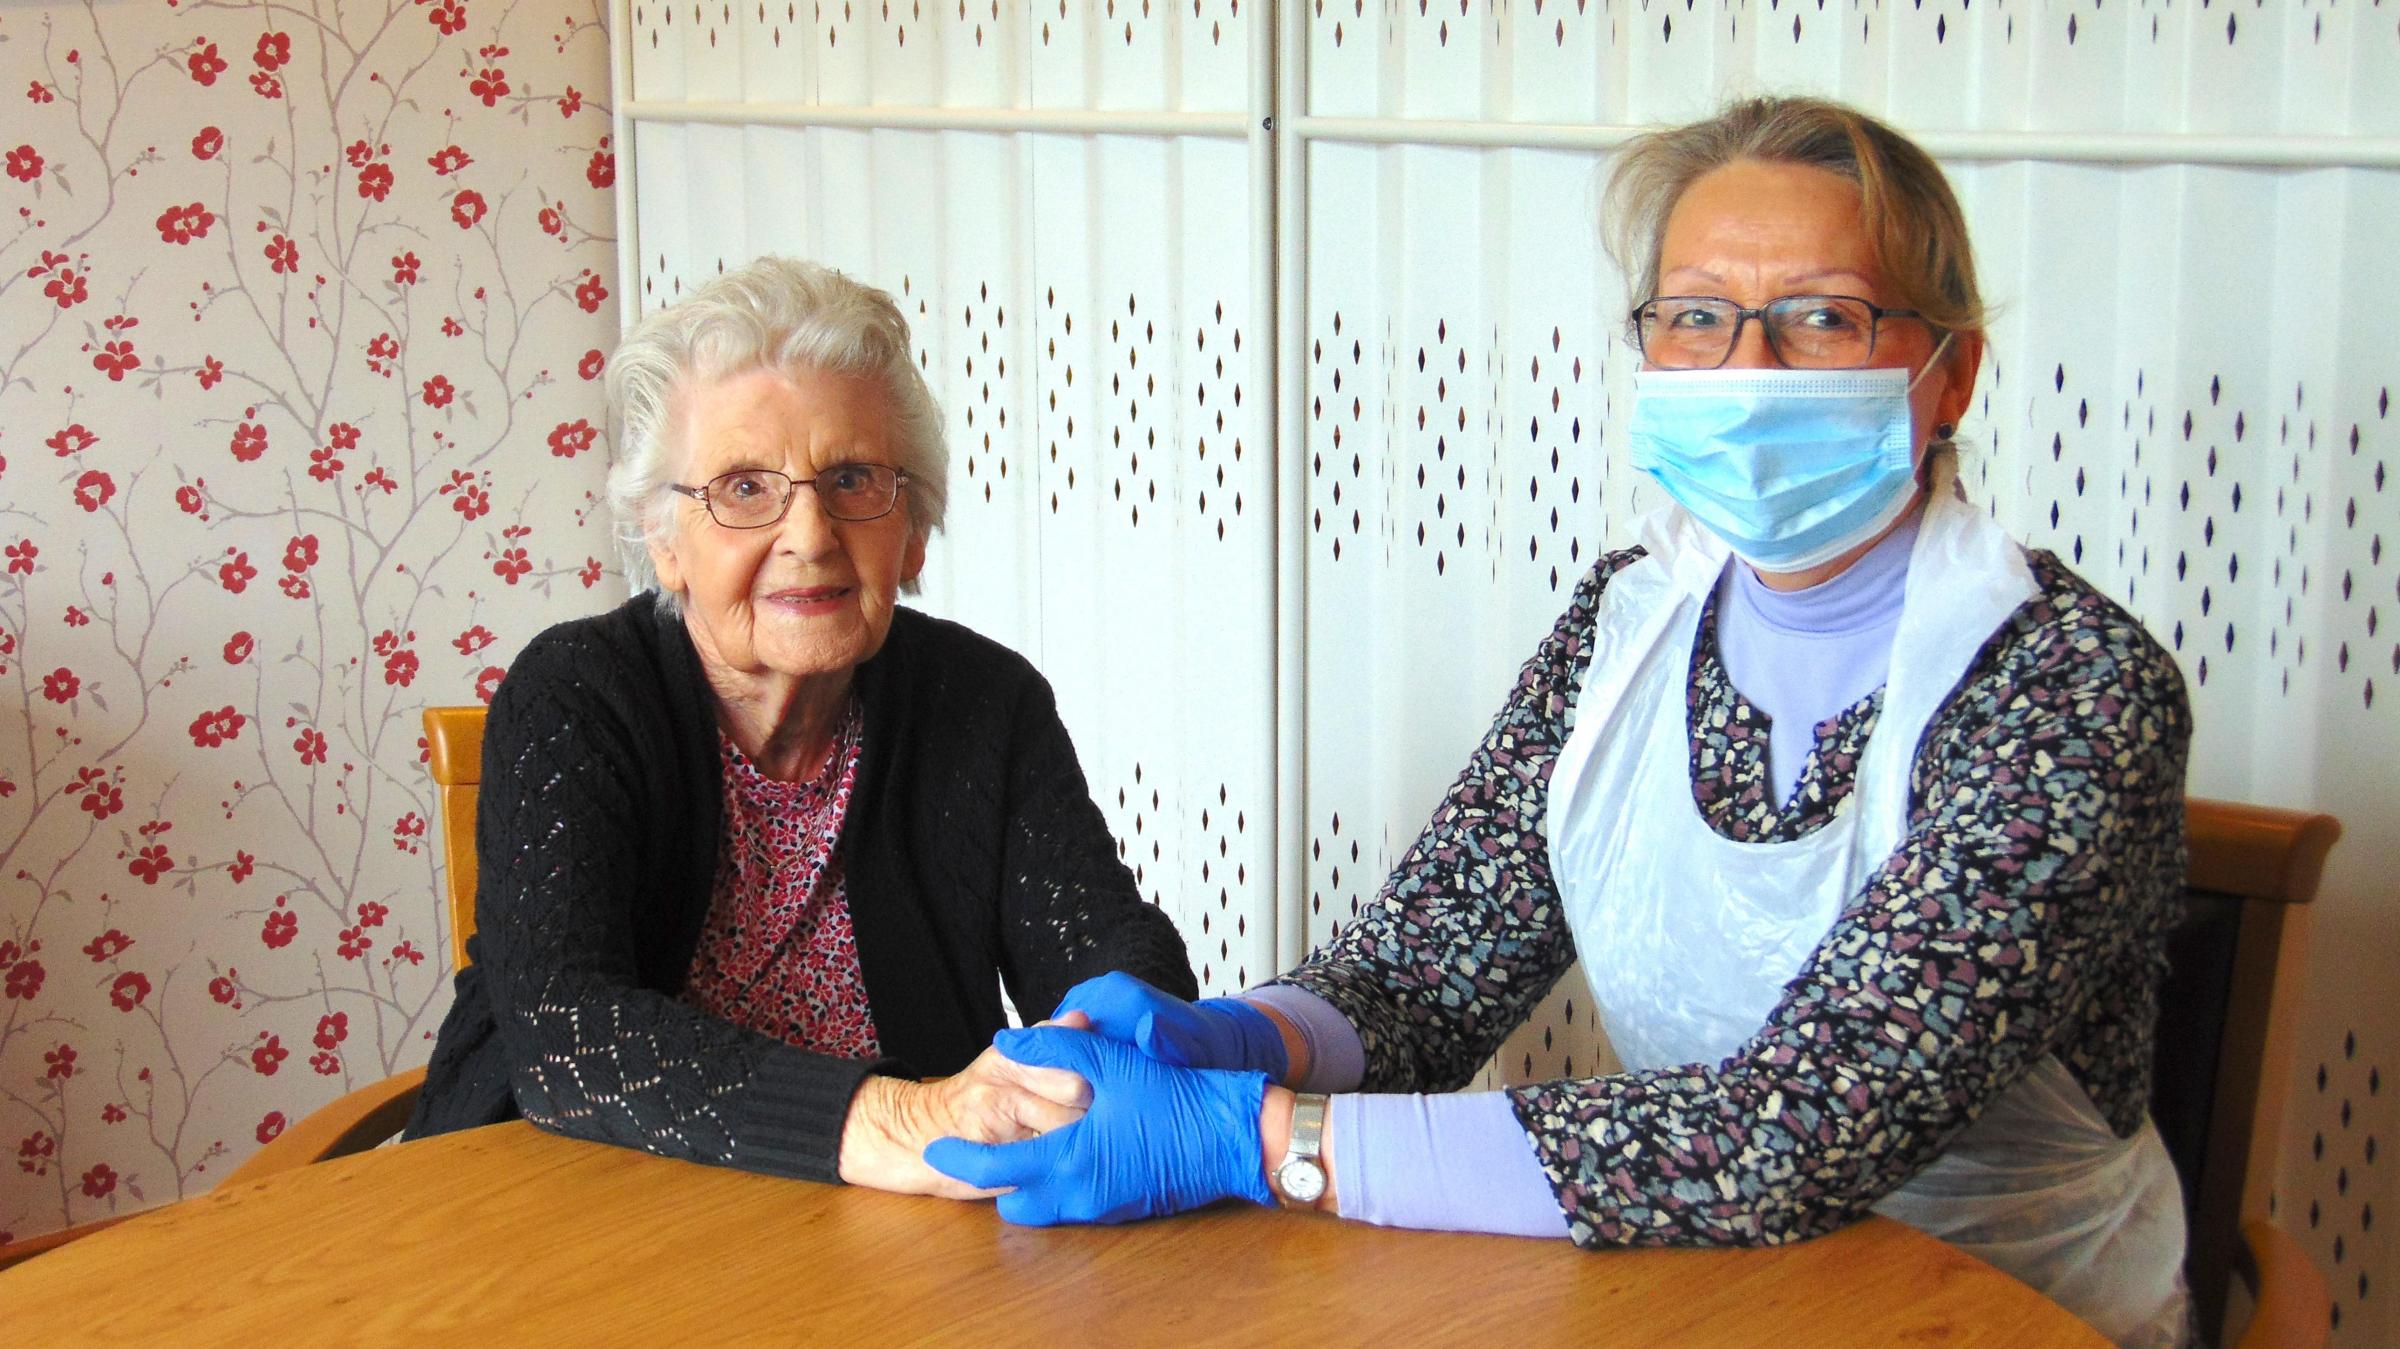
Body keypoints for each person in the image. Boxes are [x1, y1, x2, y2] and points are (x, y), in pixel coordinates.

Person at [925, 97, 2193, 1345]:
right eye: (1696, 316)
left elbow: (1788, 1133)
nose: (1747, 370)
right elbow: (1425, 973)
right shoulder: (1626, 628)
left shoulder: (2071, 687)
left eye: (1820, 316)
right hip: (1689, 1289)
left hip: (2006, 1310)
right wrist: (1249, 1031)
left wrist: (1257, 1136)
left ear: (1951, 370)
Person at [408, 257, 1194, 1197]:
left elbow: (1111, 950)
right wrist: (904, 1120)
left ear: (912, 532)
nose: (811, 535)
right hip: (561, 1222)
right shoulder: (576, 695)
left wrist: (1088, 1042)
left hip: (887, 1250)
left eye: (853, 478)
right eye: (744, 488)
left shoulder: (982, 702)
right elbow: (571, 1030)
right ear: (665, 541)